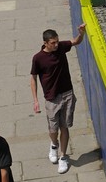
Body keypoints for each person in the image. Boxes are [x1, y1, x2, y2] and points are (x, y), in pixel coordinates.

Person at [31, 23, 86, 174]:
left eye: (57, 41)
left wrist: (81, 33)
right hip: (51, 98)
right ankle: (53, 145)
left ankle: (63, 157)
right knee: (53, 128)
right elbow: (33, 78)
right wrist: (35, 100)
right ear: (45, 43)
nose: (56, 45)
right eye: (52, 43)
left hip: (67, 93)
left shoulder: (61, 47)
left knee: (65, 126)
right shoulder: (38, 58)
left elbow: (76, 42)